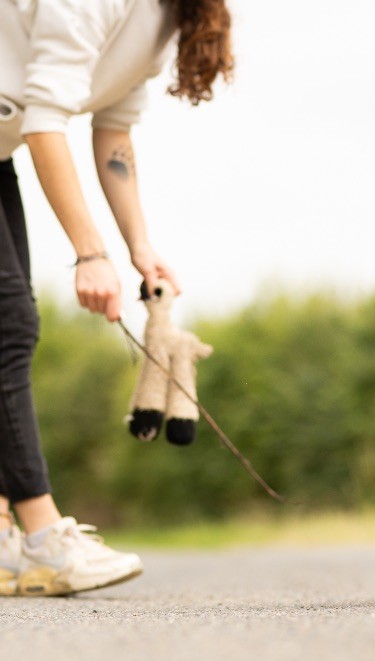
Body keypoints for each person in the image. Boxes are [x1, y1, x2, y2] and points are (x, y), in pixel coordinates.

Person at [0, 0, 232, 596]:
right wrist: (90, 252)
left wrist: (138, 245)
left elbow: (112, 130)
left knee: (8, 328)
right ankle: (45, 538)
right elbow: (44, 121)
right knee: (10, 327)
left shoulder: (164, 18)